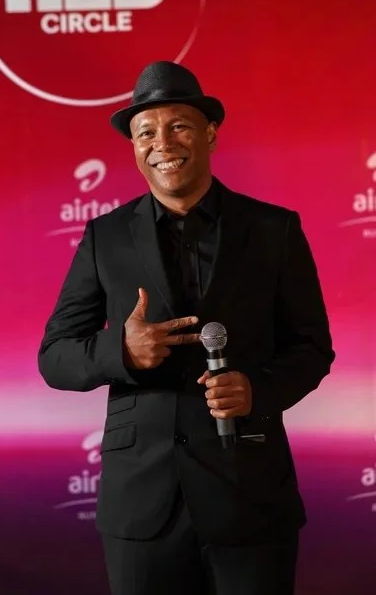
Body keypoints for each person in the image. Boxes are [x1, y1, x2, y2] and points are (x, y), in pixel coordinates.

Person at [38, 61, 334, 595]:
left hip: (250, 494)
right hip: (141, 502)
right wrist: (121, 350)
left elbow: (312, 347)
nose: (162, 143)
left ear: (210, 133)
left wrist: (257, 390)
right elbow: (55, 356)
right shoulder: (106, 236)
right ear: (134, 147)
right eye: (145, 132)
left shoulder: (274, 229)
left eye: (178, 126)